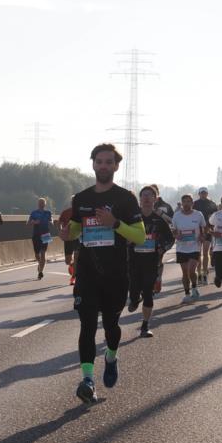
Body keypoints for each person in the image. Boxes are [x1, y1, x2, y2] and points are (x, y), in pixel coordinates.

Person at [62, 143, 145, 404]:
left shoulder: (126, 199)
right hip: (87, 272)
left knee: (111, 326)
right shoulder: (82, 199)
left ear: (116, 166)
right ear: (93, 164)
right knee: (87, 325)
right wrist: (67, 233)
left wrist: (115, 223)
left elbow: (140, 237)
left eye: (109, 162)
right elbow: (76, 229)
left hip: (116, 273)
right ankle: (87, 379)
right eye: (99, 161)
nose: (104, 166)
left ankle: (111, 356)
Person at [129, 186, 173, 338]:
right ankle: (134, 299)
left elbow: (170, 239)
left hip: (151, 261)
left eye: (150, 195)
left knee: (148, 292)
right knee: (133, 291)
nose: (147, 198)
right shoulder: (132, 218)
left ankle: (145, 325)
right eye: (144, 195)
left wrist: (162, 248)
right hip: (133, 261)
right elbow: (121, 235)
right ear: (140, 199)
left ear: (155, 199)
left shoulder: (159, 220)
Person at [172, 194, 207, 303]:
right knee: (185, 273)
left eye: (188, 201)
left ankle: (195, 288)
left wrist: (202, 236)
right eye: (184, 202)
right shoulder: (177, 215)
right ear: (182, 203)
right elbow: (173, 229)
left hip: (194, 247)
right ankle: (187, 293)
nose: (186, 204)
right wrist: (176, 235)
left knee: (191, 271)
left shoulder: (198, 214)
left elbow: (204, 228)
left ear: (192, 203)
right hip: (181, 248)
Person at [151, 184, 174, 294]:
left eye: (153, 193)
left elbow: (172, 221)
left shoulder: (166, 206)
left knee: (158, 260)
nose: (150, 196)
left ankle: (158, 279)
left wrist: (161, 214)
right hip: (147, 238)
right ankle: (149, 283)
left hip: (162, 238)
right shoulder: (142, 204)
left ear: (157, 194)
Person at [192, 187, 218, 281]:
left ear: (207, 193)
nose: (203, 194)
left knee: (205, 252)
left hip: (208, 230)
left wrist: (212, 227)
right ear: (199, 194)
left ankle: (205, 272)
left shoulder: (212, 204)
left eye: (205, 193)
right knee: (198, 253)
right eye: (201, 193)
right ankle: (198, 272)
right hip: (197, 231)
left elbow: (215, 217)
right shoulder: (195, 204)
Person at [27, 197, 53, 280]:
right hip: (36, 235)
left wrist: (51, 222)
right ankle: (40, 264)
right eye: (40, 203)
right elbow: (28, 223)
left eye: (43, 203)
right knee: (37, 254)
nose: (41, 204)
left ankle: (40, 272)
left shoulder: (48, 212)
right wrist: (34, 222)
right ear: (38, 204)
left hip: (45, 234)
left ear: (45, 204)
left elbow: (51, 219)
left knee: (43, 253)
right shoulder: (34, 213)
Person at [58, 206, 78, 285]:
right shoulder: (65, 212)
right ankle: (73, 265)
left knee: (76, 257)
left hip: (77, 237)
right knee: (67, 261)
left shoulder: (81, 211)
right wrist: (61, 230)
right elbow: (59, 222)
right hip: (68, 238)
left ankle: (73, 277)